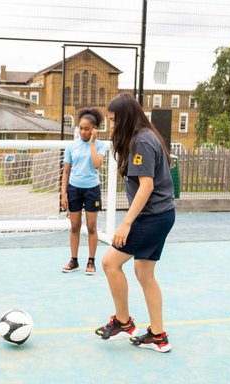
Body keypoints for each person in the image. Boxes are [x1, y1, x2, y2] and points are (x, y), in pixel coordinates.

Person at [94, 93, 175, 353]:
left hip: (152, 217)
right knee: (144, 273)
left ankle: (123, 322)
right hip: (161, 215)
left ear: (127, 118)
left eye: (114, 121)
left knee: (109, 262)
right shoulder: (144, 137)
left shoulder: (142, 141)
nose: (113, 126)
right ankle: (158, 335)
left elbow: (147, 185)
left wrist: (126, 223)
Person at [61, 107, 106, 275]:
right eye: (80, 127)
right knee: (74, 226)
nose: (83, 131)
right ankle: (74, 260)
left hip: (92, 190)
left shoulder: (99, 145)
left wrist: (93, 143)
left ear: (94, 129)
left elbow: (96, 164)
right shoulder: (71, 146)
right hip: (74, 189)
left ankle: (91, 261)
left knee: (92, 227)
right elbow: (66, 171)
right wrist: (63, 194)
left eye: (87, 129)